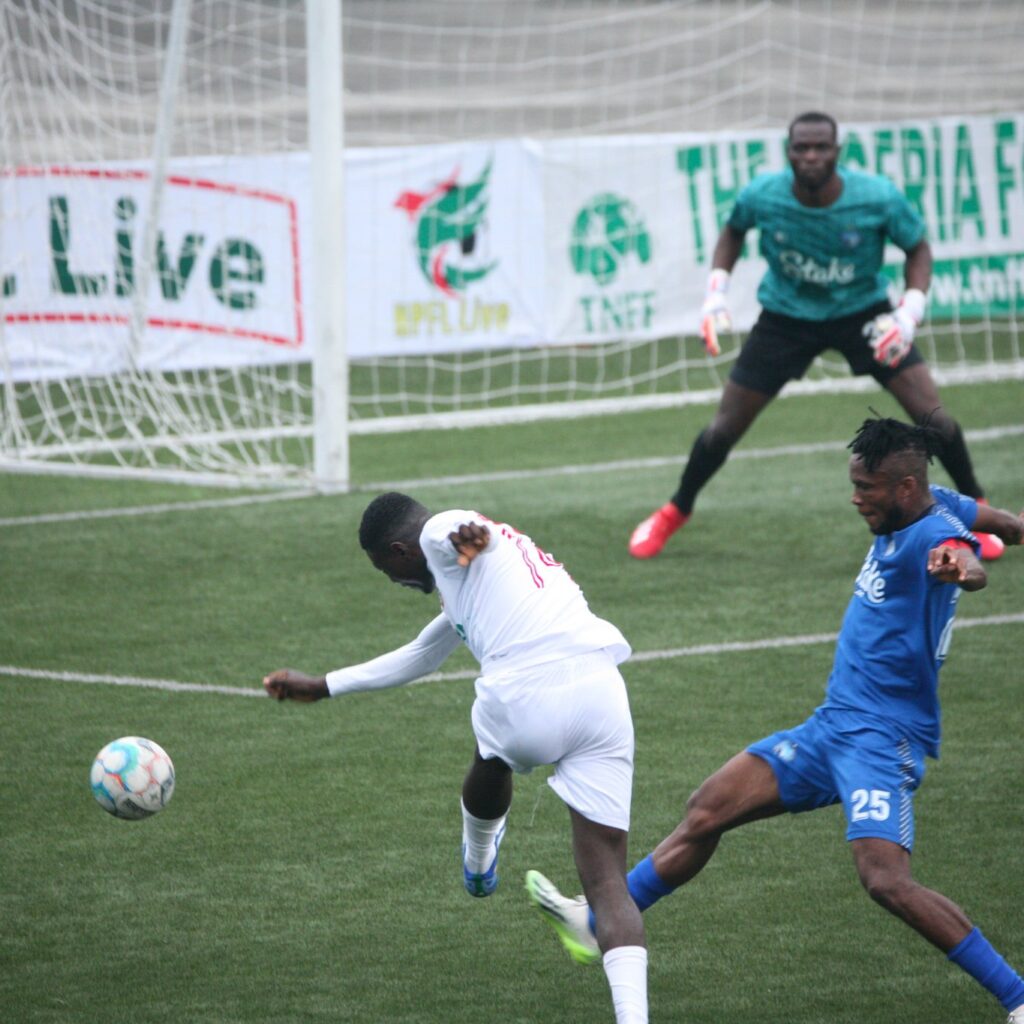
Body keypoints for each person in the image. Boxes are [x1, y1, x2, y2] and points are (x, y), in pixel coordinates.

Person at [529, 417, 1024, 1022]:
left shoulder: (932, 538)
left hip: (881, 738)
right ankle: (597, 917)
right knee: (707, 808)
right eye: (855, 483)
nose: (855, 497)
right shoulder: (936, 499)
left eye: (866, 487)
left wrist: (962, 571)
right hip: (830, 727)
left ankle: (1017, 998)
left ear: (903, 487)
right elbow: (997, 522)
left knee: (886, 881)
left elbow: (968, 559)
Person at [263, 492, 649, 1024]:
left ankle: (478, 859)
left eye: (386, 569)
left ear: (401, 550)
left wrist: (468, 537)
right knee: (608, 883)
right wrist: (325, 685)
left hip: (526, 694)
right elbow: (424, 652)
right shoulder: (474, 580)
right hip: (602, 692)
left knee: (491, 752)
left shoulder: (438, 534)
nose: (393, 581)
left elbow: (459, 531)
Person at [629, 110, 1005, 562]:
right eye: (801, 148)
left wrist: (909, 312)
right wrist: (715, 293)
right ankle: (675, 510)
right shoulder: (762, 195)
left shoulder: (876, 197)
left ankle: (978, 509)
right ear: (788, 152)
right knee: (724, 427)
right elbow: (733, 230)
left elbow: (917, 247)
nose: (810, 156)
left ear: (837, 152)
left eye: (820, 147)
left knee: (934, 418)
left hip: (863, 314)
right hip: (786, 317)